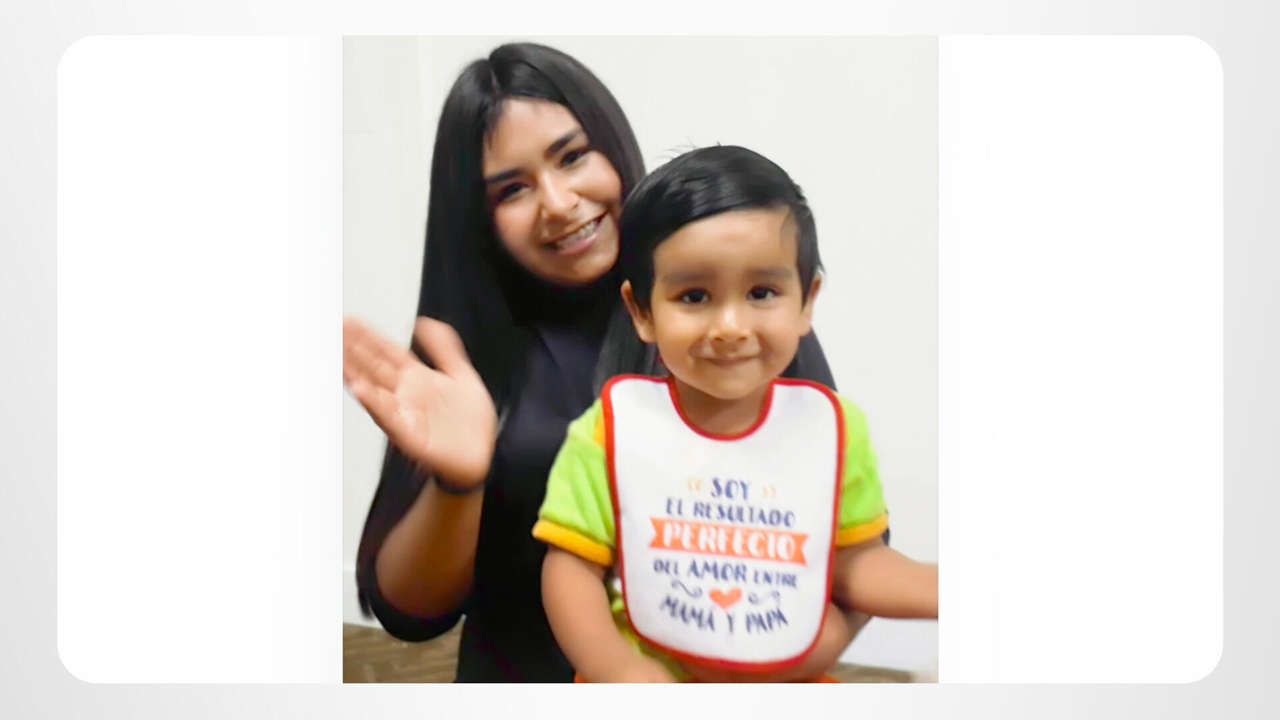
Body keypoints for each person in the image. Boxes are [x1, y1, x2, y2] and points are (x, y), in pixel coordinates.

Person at [342, 42, 868, 682]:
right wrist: (461, 485)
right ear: (479, 217)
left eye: (572, 156)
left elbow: (849, 554)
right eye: (512, 189)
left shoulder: (738, 325)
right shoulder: (460, 352)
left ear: (613, 147)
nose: (559, 201)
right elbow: (409, 613)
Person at [534, 146, 938, 682]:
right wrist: (618, 669)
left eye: (762, 292)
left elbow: (856, 562)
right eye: (694, 296)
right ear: (642, 312)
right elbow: (570, 570)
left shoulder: (834, 430)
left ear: (807, 300)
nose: (730, 326)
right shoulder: (611, 430)